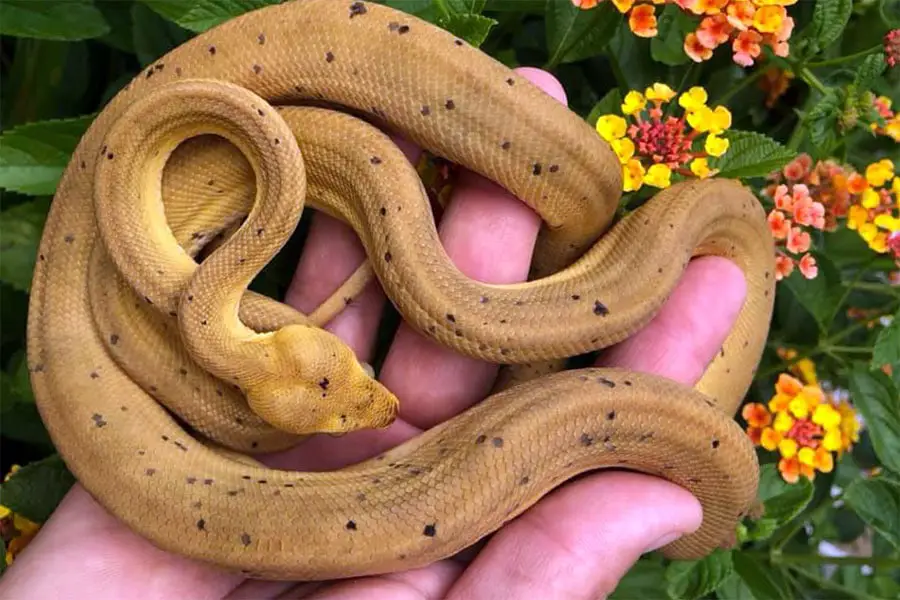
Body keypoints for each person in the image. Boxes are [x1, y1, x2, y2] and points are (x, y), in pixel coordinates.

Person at [0, 68, 748, 599]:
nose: (375, 402)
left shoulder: (215, 314)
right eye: (340, 399)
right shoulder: (169, 326)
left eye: (345, 385)